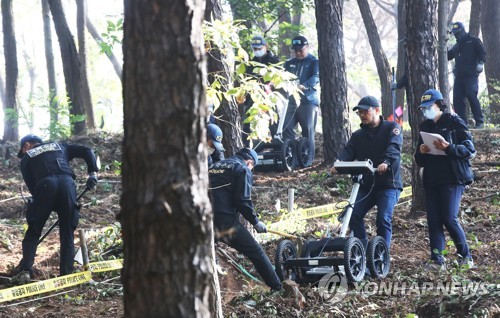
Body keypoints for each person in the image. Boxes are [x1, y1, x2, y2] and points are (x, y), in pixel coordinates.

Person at [13, 134, 99, 284]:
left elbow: (33, 187)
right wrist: (92, 174)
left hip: (45, 186)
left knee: (34, 230)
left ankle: (25, 271)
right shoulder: (60, 145)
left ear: (26, 146)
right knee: (67, 231)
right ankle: (67, 275)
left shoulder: (26, 158)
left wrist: (43, 205)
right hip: (67, 185)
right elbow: (87, 151)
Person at [330, 96, 403, 250]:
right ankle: (361, 250)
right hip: (367, 185)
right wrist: (338, 164)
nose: (363, 115)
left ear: (376, 110)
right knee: (353, 214)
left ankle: (382, 255)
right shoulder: (358, 135)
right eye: (360, 112)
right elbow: (348, 152)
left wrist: (386, 162)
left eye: (366, 111)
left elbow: (394, 148)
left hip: (388, 185)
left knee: (383, 219)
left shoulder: (392, 128)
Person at [414, 89, 475, 269]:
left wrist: (449, 147)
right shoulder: (425, 127)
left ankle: (466, 256)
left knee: (449, 217)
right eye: (424, 108)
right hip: (432, 179)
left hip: (452, 177)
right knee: (433, 220)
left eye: (429, 106)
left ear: (440, 105)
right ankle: (437, 260)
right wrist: (421, 152)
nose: (427, 111)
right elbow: (419, 159)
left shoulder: (454, 122)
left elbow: (469, 149)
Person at [209, 148, 282, 291]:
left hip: (203, 217)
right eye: (252, 168)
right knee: (256, 252)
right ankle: (278, 288)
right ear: (250, 162)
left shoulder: (214, 166)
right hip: (224, 220)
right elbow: (242, 201)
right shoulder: (242, 169)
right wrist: (255, 222)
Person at [283, 35, 320, 167]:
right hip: (292, 101)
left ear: (307, 47)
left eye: (301, 50)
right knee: (286, 126)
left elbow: (316, 77)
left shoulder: (314, 61)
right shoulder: (289, 63)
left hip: (308, 100)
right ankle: (291, 157)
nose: (298, 53)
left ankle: (307, 160)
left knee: (307, 129)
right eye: (296, 50)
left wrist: (305, 85)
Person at [241, 35, 281, 146]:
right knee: (248, 125)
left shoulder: (274, 61)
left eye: (259, 48)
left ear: (265, 46)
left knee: (273, 124)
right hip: (253, 99)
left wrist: (270, 86)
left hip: (270, 98)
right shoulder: (251, 63)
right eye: (255, 49)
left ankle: (278, 148)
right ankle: (246, 149)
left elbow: (279, 78)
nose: (257, 51)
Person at [448, 21, 487, 129]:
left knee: (471, 94)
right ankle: (462, 123)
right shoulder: (456, 46)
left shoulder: (474, 41)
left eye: (458, 33)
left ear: (463, 31)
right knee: (457, 99)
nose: (457, 36)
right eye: (455, 34)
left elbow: (482, 53)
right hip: (459, 77)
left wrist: (480, 63)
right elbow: (447, 56)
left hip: (471, 75)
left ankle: (479, 121)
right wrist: (442, 46)